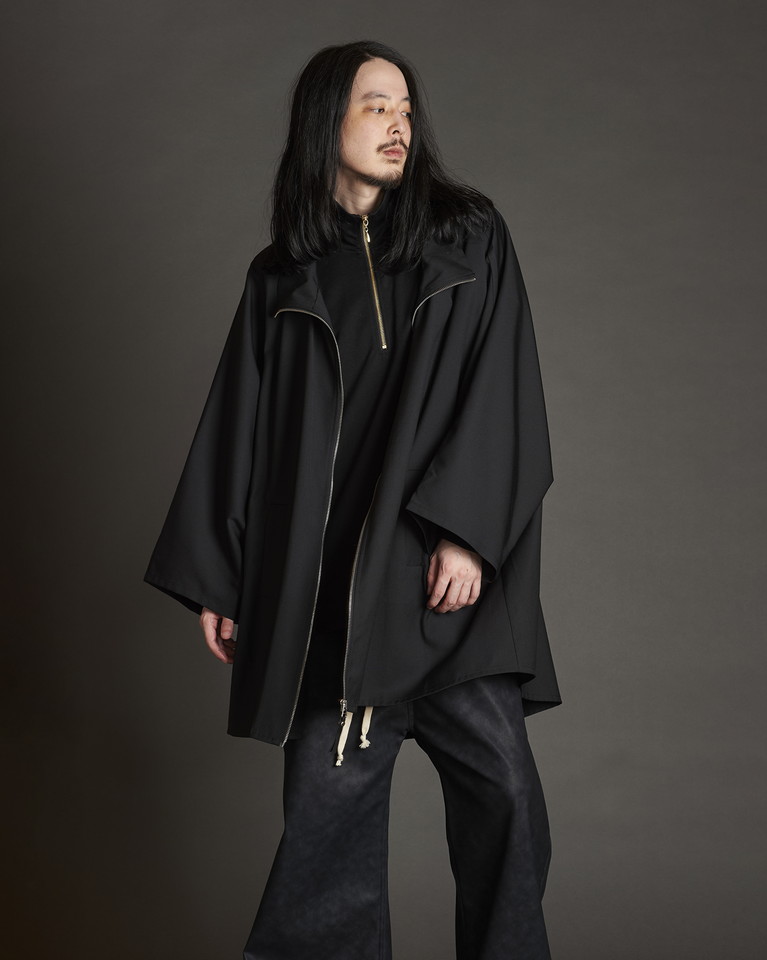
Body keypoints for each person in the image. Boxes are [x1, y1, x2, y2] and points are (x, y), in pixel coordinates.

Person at [144, 39, 561, 960]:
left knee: (506, 800)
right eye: (377, 105)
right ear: (324, 120)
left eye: (406, 108)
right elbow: (238, 429)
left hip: (443, 595)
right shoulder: (280, 278)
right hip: (332, 607)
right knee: (324, 837)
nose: (399, 123)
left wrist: (467, 533)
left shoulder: (469, 237)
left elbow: (505, 386)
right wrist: (224, 575)